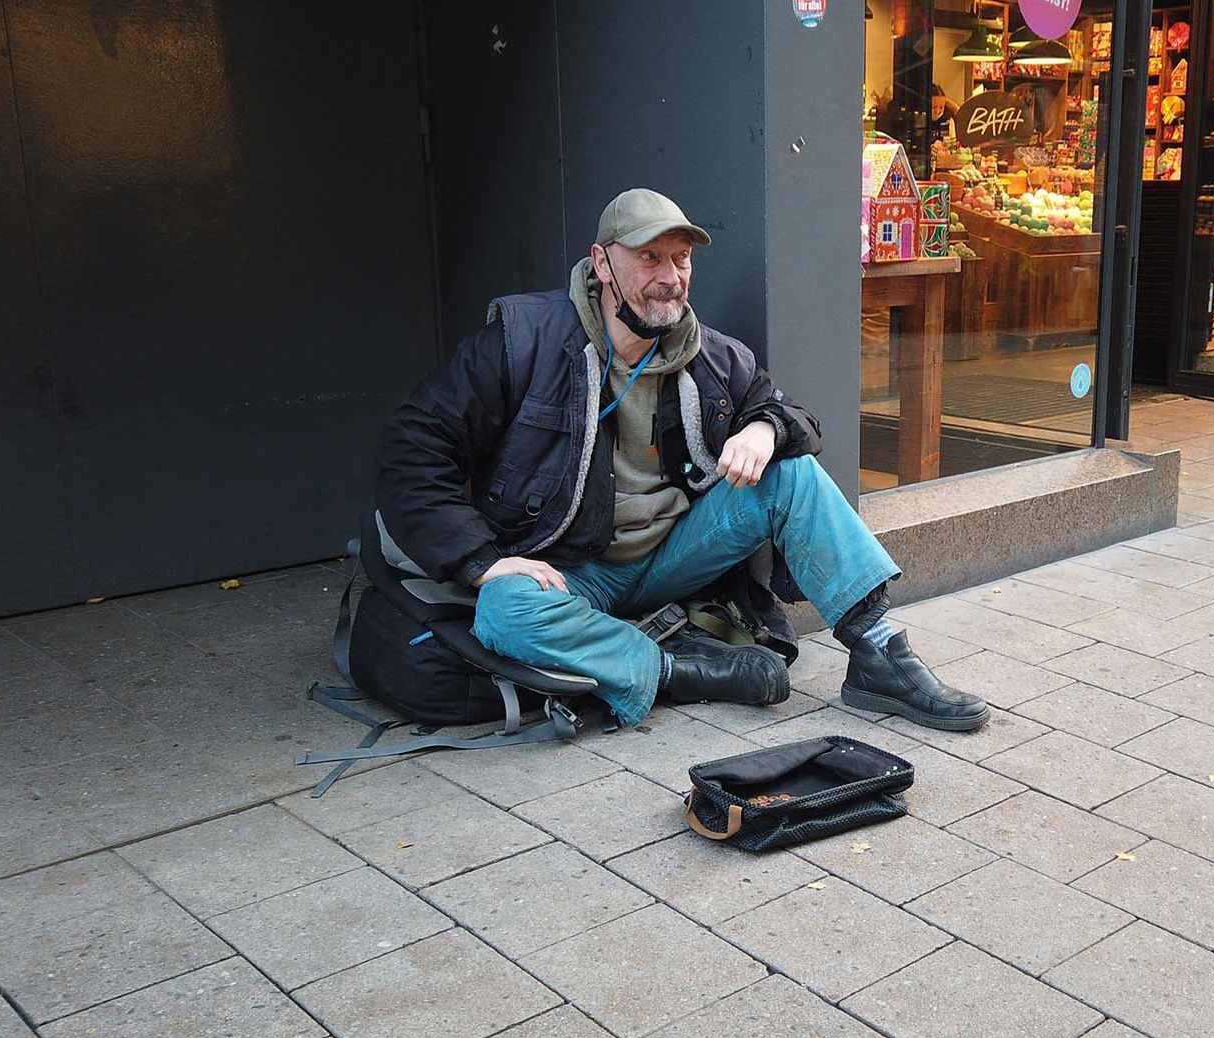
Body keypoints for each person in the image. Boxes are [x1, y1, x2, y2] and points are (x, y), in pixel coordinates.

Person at [375, 189, 989, 731]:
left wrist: (764, 429)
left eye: (681, 258)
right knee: (505, 611)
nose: (669, 276)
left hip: (671, 557)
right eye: (649, 258)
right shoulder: (523, 342)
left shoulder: (713, 356)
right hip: (565, 569)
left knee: (792, 471)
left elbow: (795, 417)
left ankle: (879, 654)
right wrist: (483, 562)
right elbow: (413, 449)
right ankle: (682, 668)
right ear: (601, 263)